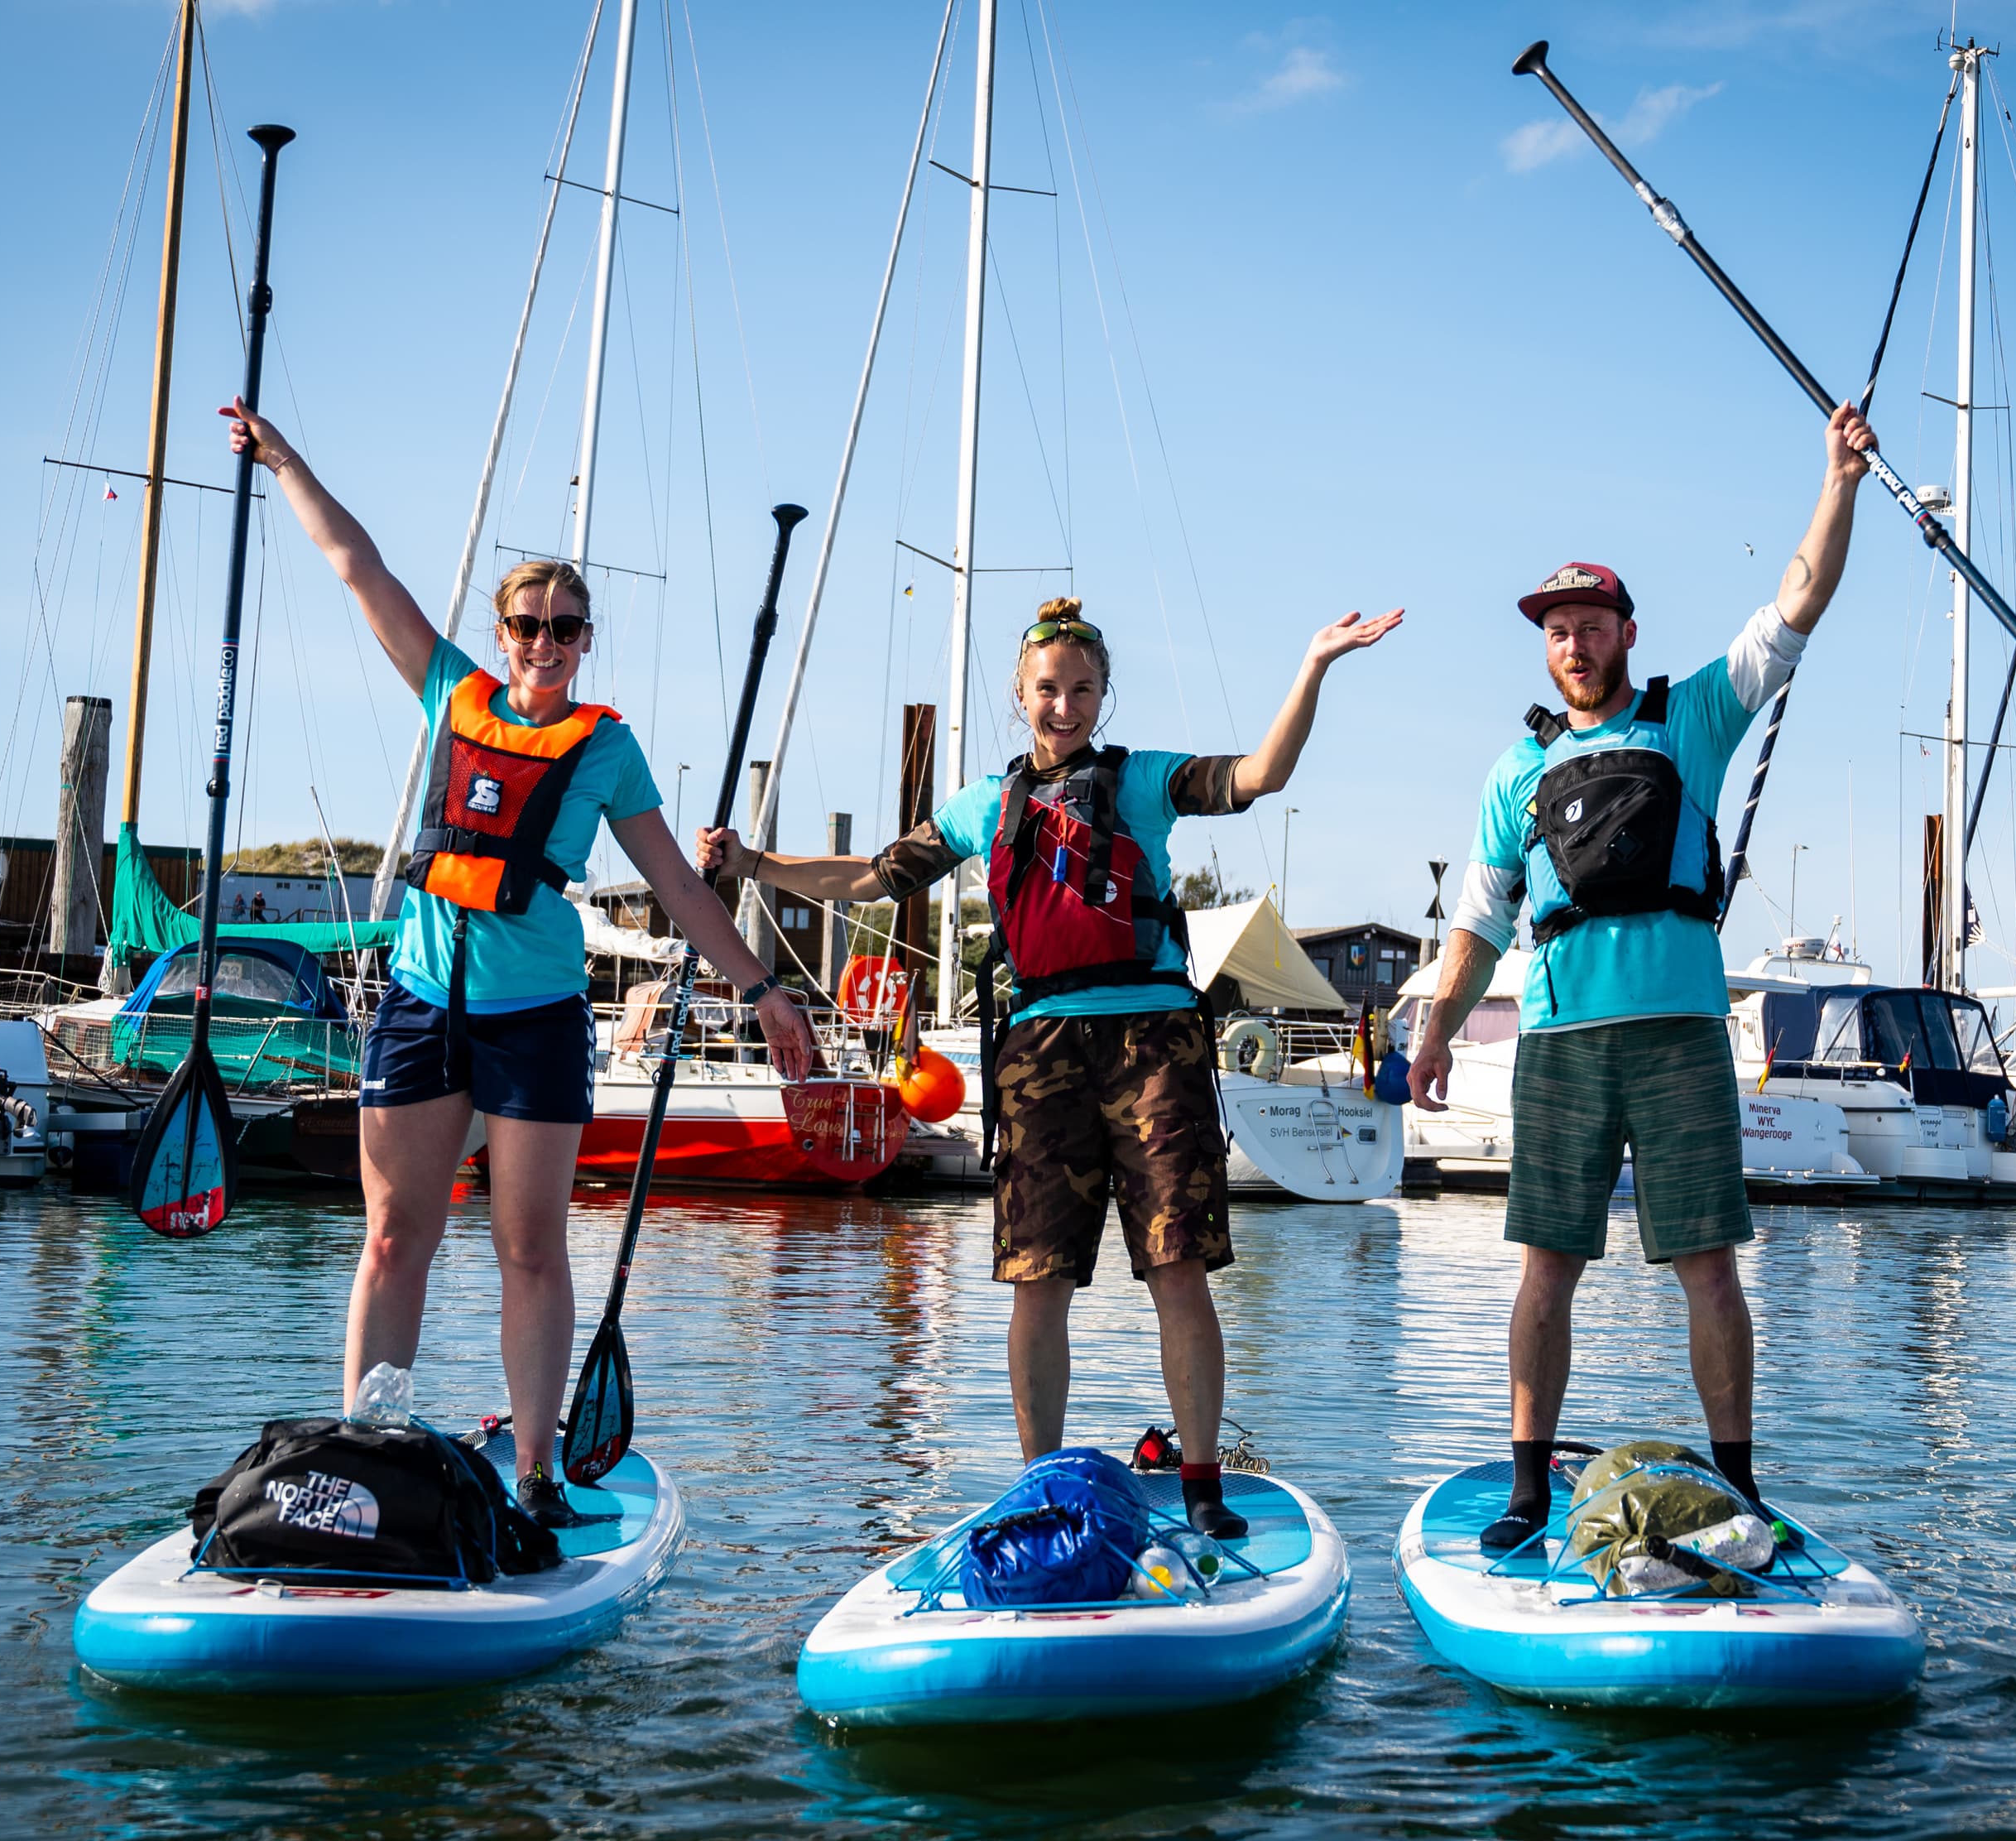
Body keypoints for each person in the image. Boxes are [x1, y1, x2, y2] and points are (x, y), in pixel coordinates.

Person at [222, 397, 814, 1530]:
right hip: (421, 1003)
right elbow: (359, 566)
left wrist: (763, 987)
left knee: (529, 1248)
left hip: (538, 1013)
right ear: (500, 631)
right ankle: (370, 1452)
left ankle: (536, 1475)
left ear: (587, 640)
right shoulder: (453, 690)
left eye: (566, 627)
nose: (545, 643)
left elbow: (679, 891)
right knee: (397, 1237)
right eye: (528, 623)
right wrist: (288, 459)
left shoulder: (608, 745)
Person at [698, 595, 1399, 1538]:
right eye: (1046, 690)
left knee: (1178, 1266)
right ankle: (1041, 1485)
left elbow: (1260, 775)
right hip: (1040, 1050)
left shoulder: (1143, 781)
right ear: (1019, 695)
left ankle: (1201, 1483)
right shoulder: (982, 804)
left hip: (1154, 1039)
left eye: (1080, 689)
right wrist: (754, 862)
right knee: (1040, 1277)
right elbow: (869, 876)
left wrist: (1312, 665)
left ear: (1104, 694)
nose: (1062, 706)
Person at [1411, 401, 1872, 1551]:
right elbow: (1478, 921)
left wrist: (1839, 481)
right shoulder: (1515, 769)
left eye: (1590, 624)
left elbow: (1798, 601)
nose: (1573, 643)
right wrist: (1432, 1032)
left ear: (1625, 630)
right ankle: (1528, 1487)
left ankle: (1742, 1483)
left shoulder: (1694, 717)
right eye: (1555, 629)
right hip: (1561, 1040)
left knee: (1708, 1270)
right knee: (1545, 1270)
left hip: (1677, 1035)